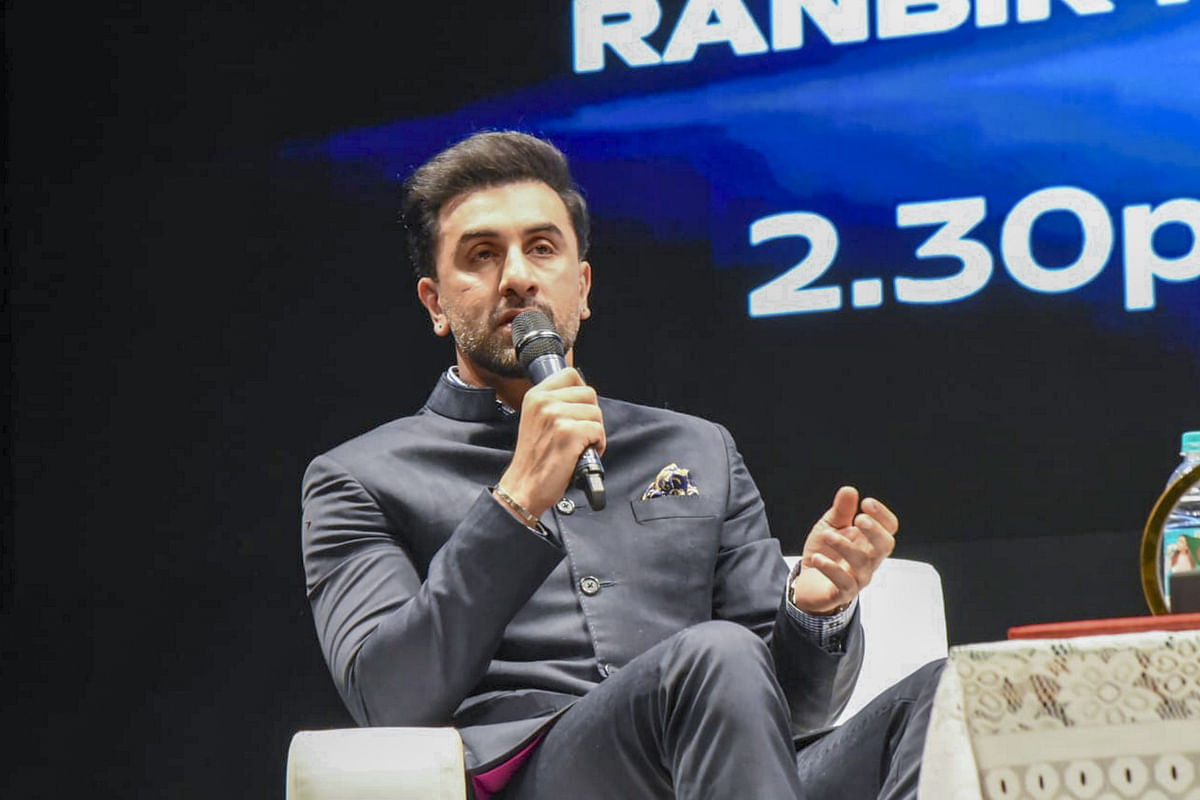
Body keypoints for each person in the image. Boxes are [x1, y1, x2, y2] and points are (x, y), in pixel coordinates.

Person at [301, 130, 944, 800]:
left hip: (732, 773)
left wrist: (816, 614)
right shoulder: (360, 477)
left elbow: (793, 710)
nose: (517, 275)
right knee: (716, 653)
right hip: (539, 776)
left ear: (581, 288)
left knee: (950, 699)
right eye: (483, 255)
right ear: (436, 304)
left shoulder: (699, 449)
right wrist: (517, 498)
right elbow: (389, 698)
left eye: (541, 248)